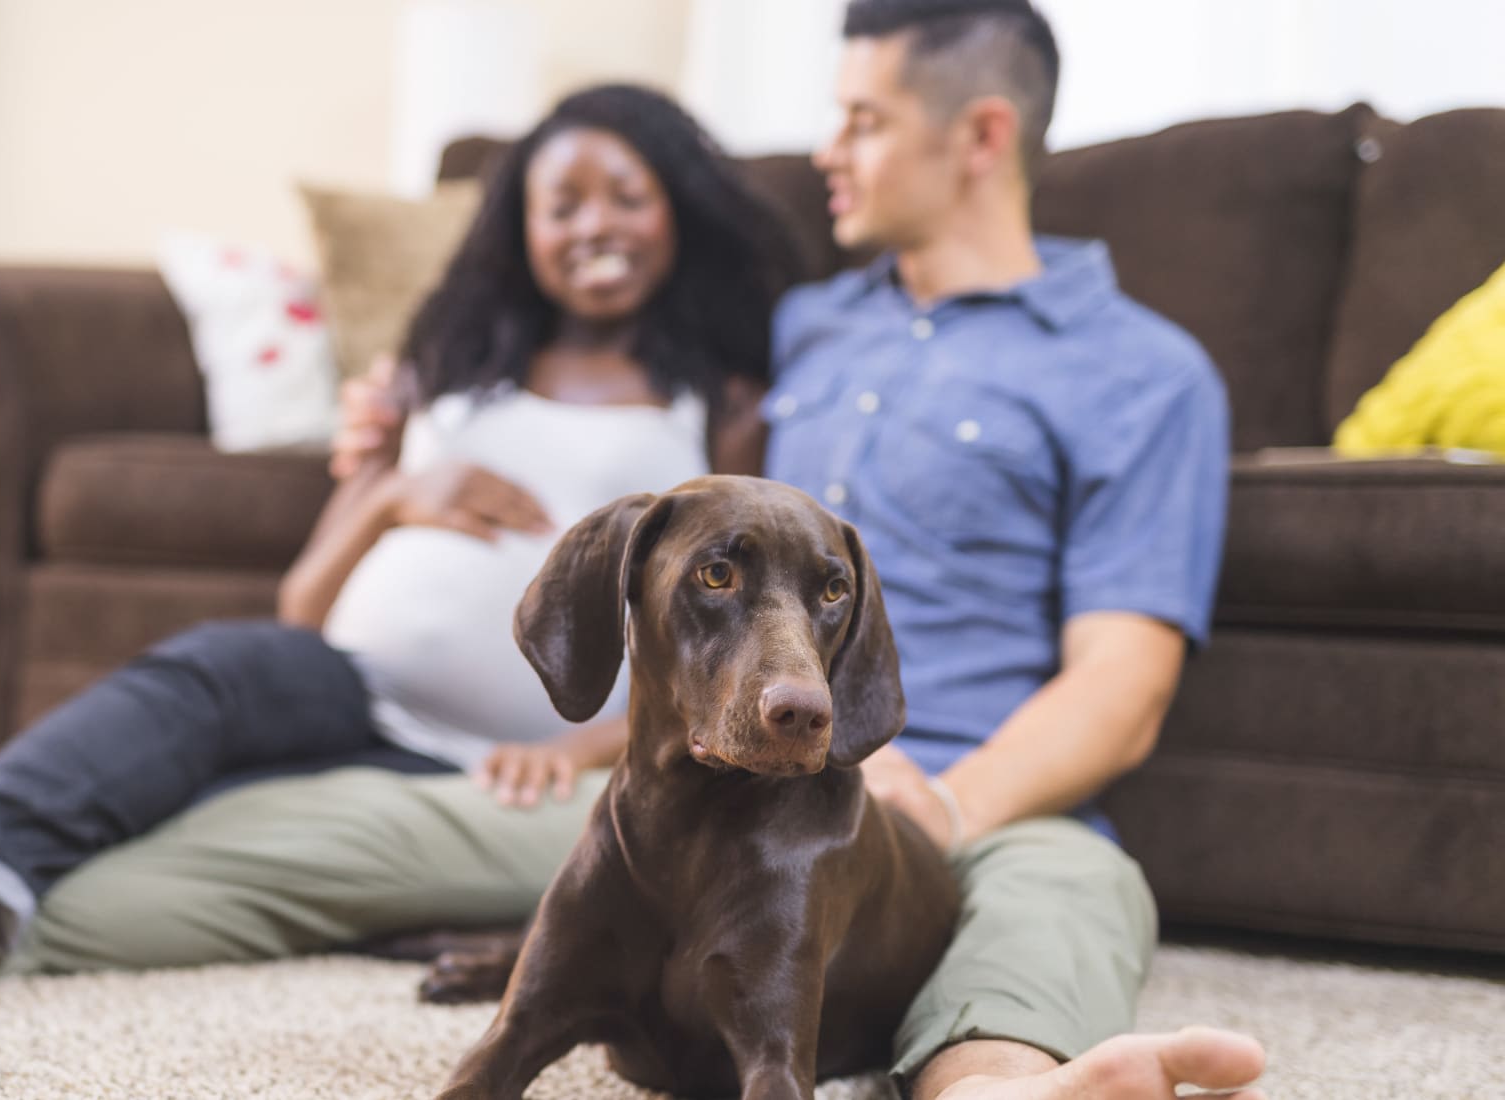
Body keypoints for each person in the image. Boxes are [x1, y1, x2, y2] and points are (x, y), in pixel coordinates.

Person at [0, 84, 801, 997]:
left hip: (502, 761)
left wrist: (574, 743)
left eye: (623, 197)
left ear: (674, 213)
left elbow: (736, 634)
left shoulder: (723, 406)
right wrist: (380, 499)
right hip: (340, 686)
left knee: (163, 841)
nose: (592, 225)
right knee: (200, 674)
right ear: (513, 229)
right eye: (557, 202)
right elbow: (305, 604)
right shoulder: (442, 377)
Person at [288, 1, 1270, 1097]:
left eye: (859, 121)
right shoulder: (796, 326)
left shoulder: (1142, 372)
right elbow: (594, 347)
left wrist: (939, 802)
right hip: (692, 785)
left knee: (1058, 904)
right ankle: (56, 889)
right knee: (289, 836)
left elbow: (1122, 686)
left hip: (980, 802)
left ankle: (997, 1084)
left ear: (979, 136)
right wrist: (396, 403)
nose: (824, 151)